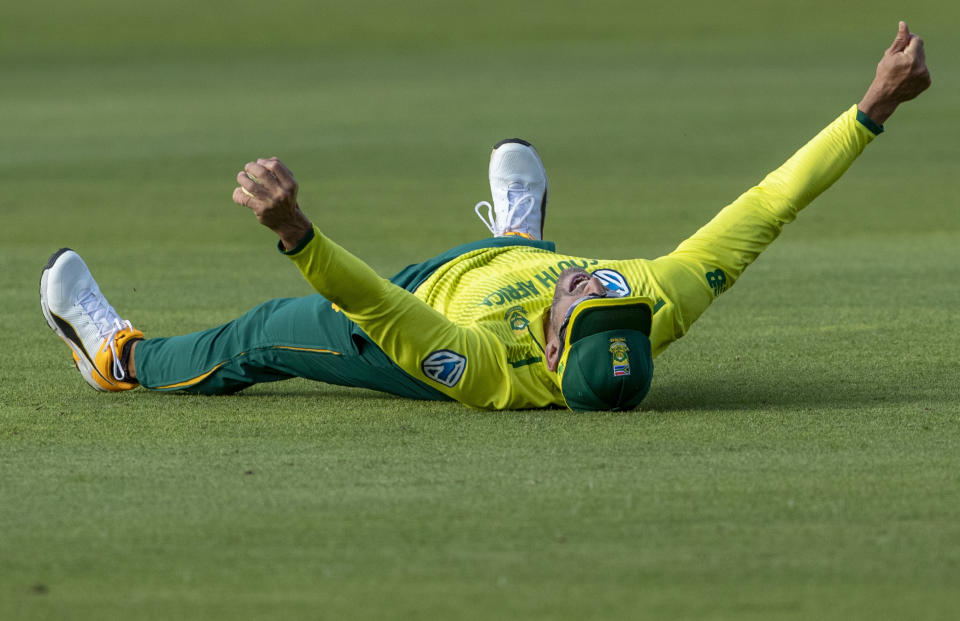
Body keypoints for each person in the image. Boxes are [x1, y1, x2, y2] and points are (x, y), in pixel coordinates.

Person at [40, 23, 931, 411]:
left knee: (269, 333)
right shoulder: (648, 303)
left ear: (548, 352)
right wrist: (872, 108)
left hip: (411, 318)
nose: (597, 281)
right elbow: (768, 206)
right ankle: (519, 238)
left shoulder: (483, 371)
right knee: (531, 260)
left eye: (581, 299)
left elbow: (386, 312)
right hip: (486, 272)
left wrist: (296, 232)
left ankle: (117, 359)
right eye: (612, 294)